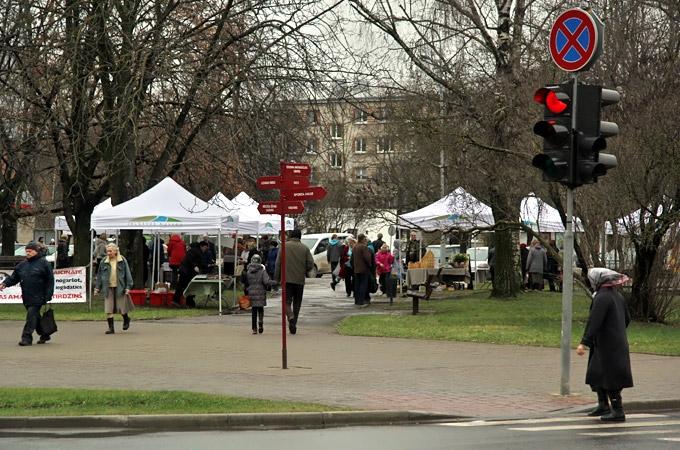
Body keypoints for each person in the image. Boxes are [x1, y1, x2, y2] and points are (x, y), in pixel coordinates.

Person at [576, 268, 633, 422]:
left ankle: (618, 410)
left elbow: (594, 322)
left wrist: (584, 342)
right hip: (612, 342)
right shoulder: (617, 296)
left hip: (608, 345)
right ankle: (603, 404)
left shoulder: (602, 298)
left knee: (610, 377)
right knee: (597, 374)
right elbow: (627, 318)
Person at [0, 242, 55, 345]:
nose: (28, 253)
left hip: (39, 295)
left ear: (36, 251)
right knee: (35, 316)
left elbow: (50, 281)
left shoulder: (44, 264)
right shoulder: (22, 265)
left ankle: (26, 338)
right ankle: (45, 334)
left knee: (31, 316)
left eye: (30, 251)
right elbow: (14, 278)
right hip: (27, 295)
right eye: (26, 251)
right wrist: (4, 284)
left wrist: (48, 294)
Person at [274, 229, 314, 335]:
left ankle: (290, 317)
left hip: (286, 279)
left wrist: (276, 279)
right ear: (300, 237)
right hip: (299, 280)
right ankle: (294, 322)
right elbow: (310, 263)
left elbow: (278, 264)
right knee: (297, 302)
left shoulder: (283, 247)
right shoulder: (305, 248)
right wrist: (304, 270)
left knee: (286, 301)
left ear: (291, 236)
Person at [94, 243, 134, 334]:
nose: (108, 253)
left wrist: (128, 287)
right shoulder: (104, 261)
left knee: (121, 308)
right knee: (109, 308)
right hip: (107, 288)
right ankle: (111, 328)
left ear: (116, 251)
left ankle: (126, 319)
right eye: (107, 251)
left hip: (120, 287)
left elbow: (127, 274)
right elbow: (100, 276)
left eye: (110, 251)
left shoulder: (122, 260)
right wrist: (97, 288)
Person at [242, 254, 273, 334]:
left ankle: (254, 329)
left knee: (254, 311)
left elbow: (246, 282)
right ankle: (260, 322)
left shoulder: (248, 271)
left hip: (251, 292)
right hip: (261, 292)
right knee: (260, 309)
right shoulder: (262, 271)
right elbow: (266, 281)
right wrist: (274, 282)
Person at [172, 241, 209, 308]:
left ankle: (179, 301)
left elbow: (199, 262)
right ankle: (182, 302)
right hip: (186, 271)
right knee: (186, 287)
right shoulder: (194, 251)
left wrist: (205, 266)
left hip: (187, 271)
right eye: (205, 247)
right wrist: (195, 266)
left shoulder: (197, 251)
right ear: (201, 246)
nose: (205, 249)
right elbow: (190, 259)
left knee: (185, 287)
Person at [352, 234, 373, 306]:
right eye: (365, 239)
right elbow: (367, 258)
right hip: (364, 269)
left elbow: (352, 258)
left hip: (356, 269)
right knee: (363, 285)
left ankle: (357, 300)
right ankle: (361, 300)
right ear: (363, 239)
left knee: (357, 285)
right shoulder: (363, 247)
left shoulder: (355, 247)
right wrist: (370, 265)